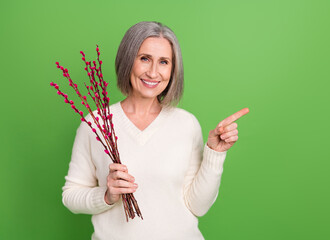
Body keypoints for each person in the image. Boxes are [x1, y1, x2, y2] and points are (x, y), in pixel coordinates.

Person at [62, 21, 249, 240]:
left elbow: (198, 206)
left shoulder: (186, 124)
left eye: (164, 62)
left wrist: (215, 153)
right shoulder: (96, 124)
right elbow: (71, 196)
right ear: (127, 60)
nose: (153, 72)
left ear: (173, 69)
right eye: (144, 59)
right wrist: (107, 195)